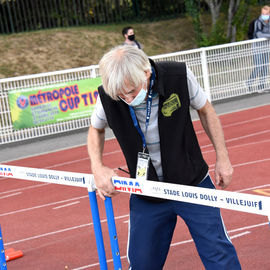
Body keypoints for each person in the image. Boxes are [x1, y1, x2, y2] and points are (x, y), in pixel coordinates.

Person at [87, 45, 241, 270]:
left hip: (192, 184)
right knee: (142, 263)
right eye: (120, 95)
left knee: (219, 255)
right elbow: (95, 130)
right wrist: (97, 167)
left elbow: (206, 110)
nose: (127, 99)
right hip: (147, 191)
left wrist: (223, 157)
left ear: (146, 73)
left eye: (130, 91)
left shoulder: (178, 76)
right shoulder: (109, 95)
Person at [247, 5, 270, 92]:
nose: (265, 15)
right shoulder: (258, 22)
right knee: (259, 66)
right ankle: (249, 83)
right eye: (263, 13)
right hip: (257, 46)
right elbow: (258, 34)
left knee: (265, 66)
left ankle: (261, 86)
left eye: (267, 14)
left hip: (266, 46)